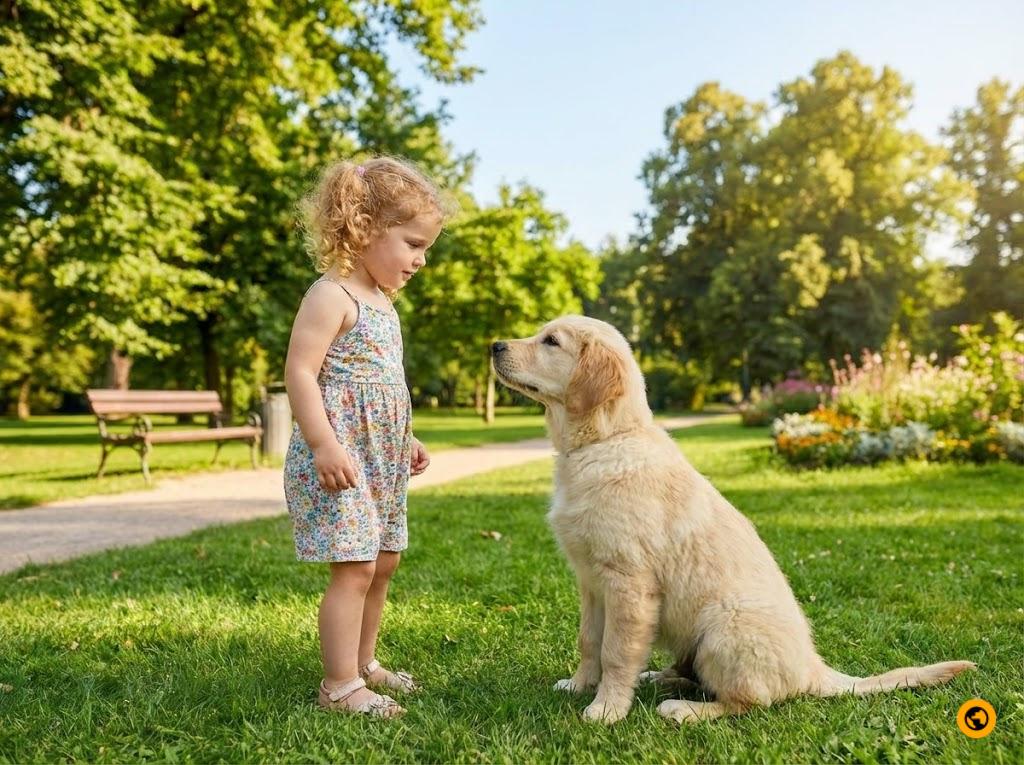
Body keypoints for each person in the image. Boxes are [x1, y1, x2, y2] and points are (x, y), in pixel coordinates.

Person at [284, 156, 447, 717]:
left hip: (382, 458)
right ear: (365, 228)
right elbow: (300, 372)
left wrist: (409, 438)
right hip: (341, 455)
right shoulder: (331, 295)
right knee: (353, 568)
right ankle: (338, 686)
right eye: (413, 243)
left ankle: (364, 662)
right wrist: (325, 444)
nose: (421, 260)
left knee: (382, 561)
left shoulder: (385, 304)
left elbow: (386, 386)